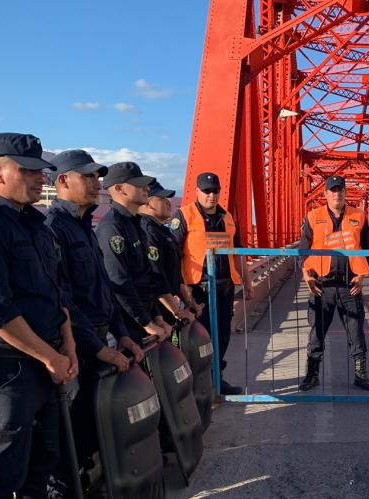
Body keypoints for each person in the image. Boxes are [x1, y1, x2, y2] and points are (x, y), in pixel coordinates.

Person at [0, 132, 78, 497]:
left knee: (43, 466)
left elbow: (56, 293)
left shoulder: (36, 225)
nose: (41, 177)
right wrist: (52, 357)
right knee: (2, 475)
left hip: (47, 363)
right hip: (9, 372)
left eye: (41, 170)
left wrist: (67, 346)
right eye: (28, 170)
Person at [44, 149, 144, 488]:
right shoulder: (54, 229)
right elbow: (64, 301)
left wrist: (122, 334)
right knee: (71, 433)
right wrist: (99, 349)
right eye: (87, 176)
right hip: (77, 348)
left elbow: (103, 288)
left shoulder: (85, 226)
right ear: (62, 181)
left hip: (99, 340)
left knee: (91, 425)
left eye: (97, 176)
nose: (96, 182)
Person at [170, 172, 253, 395]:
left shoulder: (227, 217)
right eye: (206, 191)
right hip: (198, 289)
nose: (211, 195)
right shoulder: (184, 215)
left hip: (225, 287)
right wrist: (180, 288)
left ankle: (217, 380)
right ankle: (199, 384)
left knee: (222, 335)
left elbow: (238, 252)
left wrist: (247, 281)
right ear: (197, 191)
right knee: (199, 337)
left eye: (215, 191)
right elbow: (172, 255)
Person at [96, 162, 191, 345]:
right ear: (119, 189)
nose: (146, 188)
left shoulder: (135, 224)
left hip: (146, 318)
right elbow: (119, 281)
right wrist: (146, 322)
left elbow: (148, 277)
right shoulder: (112, 227)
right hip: (127, 323)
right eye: (139, 184)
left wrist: (156, 317)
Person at [298, 175, 369, 391]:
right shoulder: (313, 216)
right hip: (322, 286)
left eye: (340, 189)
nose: (337, 193)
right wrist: (307, 276)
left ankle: (361, 374)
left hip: (350, 285)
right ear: (325, 194)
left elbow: (367, 251)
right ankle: (312, 375)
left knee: (356, 333)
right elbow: (303, 251)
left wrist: (361, 276)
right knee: (317, 333)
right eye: (333, 190)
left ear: (345, 192)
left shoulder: (359, 216)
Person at [139, 180, 201, 322]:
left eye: (168, 199)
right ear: (147, 202)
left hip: (170, 308)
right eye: (162, 198)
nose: (168, 202)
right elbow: (156, 278)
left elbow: (174, 273)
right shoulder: (147, 230)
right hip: (156, 311)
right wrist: (177, 311)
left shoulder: (163, 231)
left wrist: (189, 302)